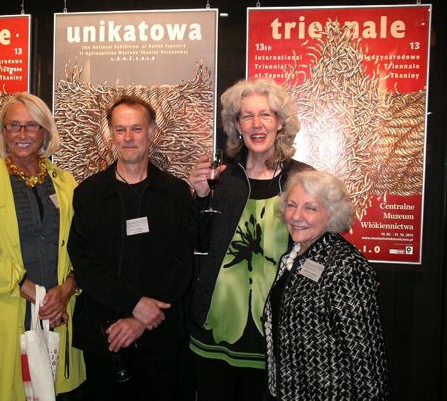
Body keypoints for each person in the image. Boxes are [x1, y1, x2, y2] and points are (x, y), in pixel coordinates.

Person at [188, 78, 311, 400]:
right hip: (216, 327)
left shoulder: (303, 180)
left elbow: (317, 252)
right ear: (237, 126)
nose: (257, 124)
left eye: (265, 115)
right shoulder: (222, 179)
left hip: (275, 333)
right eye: (247, 116)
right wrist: (200, 198)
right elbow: (198, 243)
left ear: (280, 122)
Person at [67, 94, 193, 401]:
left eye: (136, 129)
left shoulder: (176, 193)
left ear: (151, 132)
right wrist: (134, 303)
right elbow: (84, 262)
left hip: (159, 335)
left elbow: (182, 262)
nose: (128, 137)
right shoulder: (89, 194)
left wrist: (140, 319)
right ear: (110, 133)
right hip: (105, 336)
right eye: (120, 129)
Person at [0, 93, 85, 400]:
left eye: (32, 125)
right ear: (2, 131)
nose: (22, 133)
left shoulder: (66, 183)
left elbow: (82, 245)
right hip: (8, 310)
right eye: (13, 125)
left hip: (58, 313)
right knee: (11, 390)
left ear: (44, 131)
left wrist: (65, 290)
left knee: (55, 390)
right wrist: (36, 294)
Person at [263, 170, 389, 399]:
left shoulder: (346, 265)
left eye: (310, 208)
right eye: (291, 205)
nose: (296, 216)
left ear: (331, 214)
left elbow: (366, 358)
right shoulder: (291, 257)